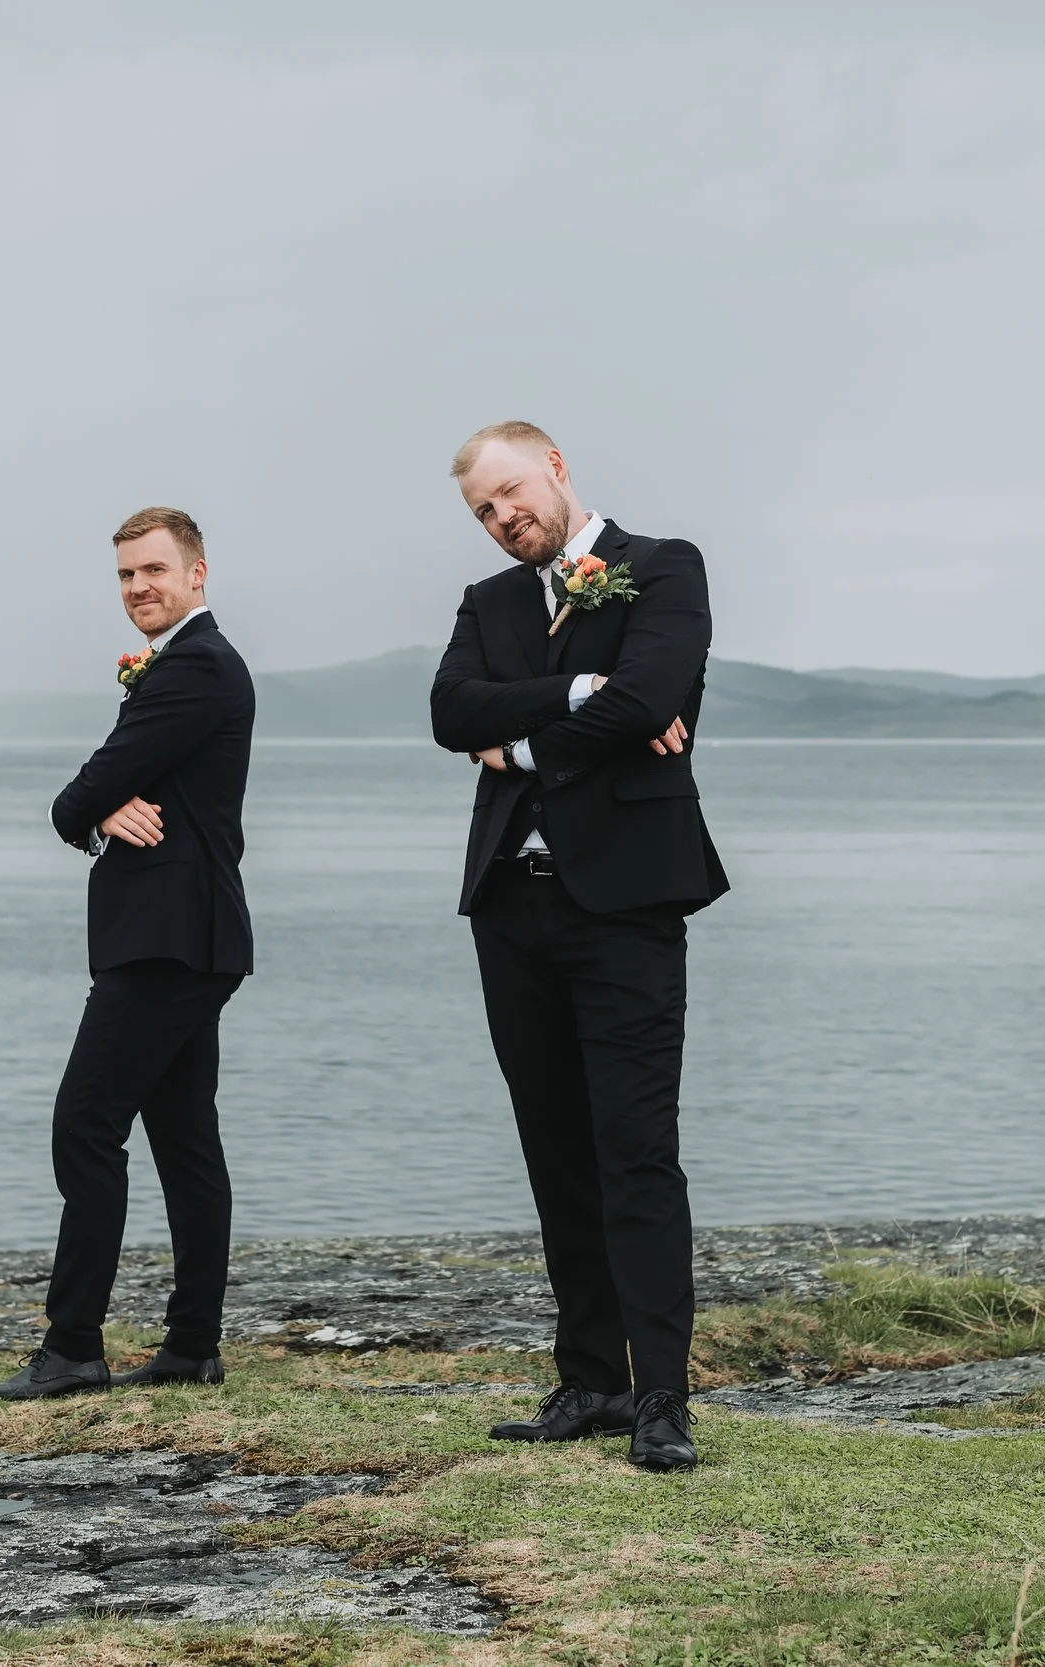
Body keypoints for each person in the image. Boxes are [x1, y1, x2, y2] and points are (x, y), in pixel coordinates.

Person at [429, 422, 730, 1471]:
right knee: (554, 1148)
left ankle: (662, 1395)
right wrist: (577, 693)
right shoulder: (488, 603)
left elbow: (652, 695)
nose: (503, 517)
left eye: (511, 492)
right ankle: (592, 1378)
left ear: (554, 467)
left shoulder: (666, 566)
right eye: (483, 510)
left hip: (627, 904)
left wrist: (514, 746)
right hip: (510, 906)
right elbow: (447, 710)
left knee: (635, 1149)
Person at [0, 508, 255, 1402]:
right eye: (126, 574)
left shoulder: (195, 666)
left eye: (154, 570)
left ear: (197, 573)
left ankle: (73, 1345)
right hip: (187, 934)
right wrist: (103, 809)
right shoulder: (182, 665)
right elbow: (114, 787)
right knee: (184, 1136)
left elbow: (82, 790)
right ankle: (192, 1343)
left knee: (85, 1125)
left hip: (168, 940)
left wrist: (88, 808)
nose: (138, 587)